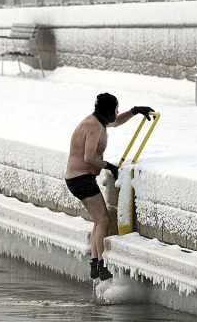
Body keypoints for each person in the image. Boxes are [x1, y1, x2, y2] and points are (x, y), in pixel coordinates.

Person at [65, 93, 153, 280]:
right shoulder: (93, 126)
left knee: (99, 221)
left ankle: (95, 264)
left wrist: (135, 111)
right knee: (103, 220)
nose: (117, 112)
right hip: (80, 179)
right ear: (107, 110)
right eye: (115, 109)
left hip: (80, 178)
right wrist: (109, 166)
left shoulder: (99, 122)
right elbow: (89, 158)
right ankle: (99, 264)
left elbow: (116, 122)